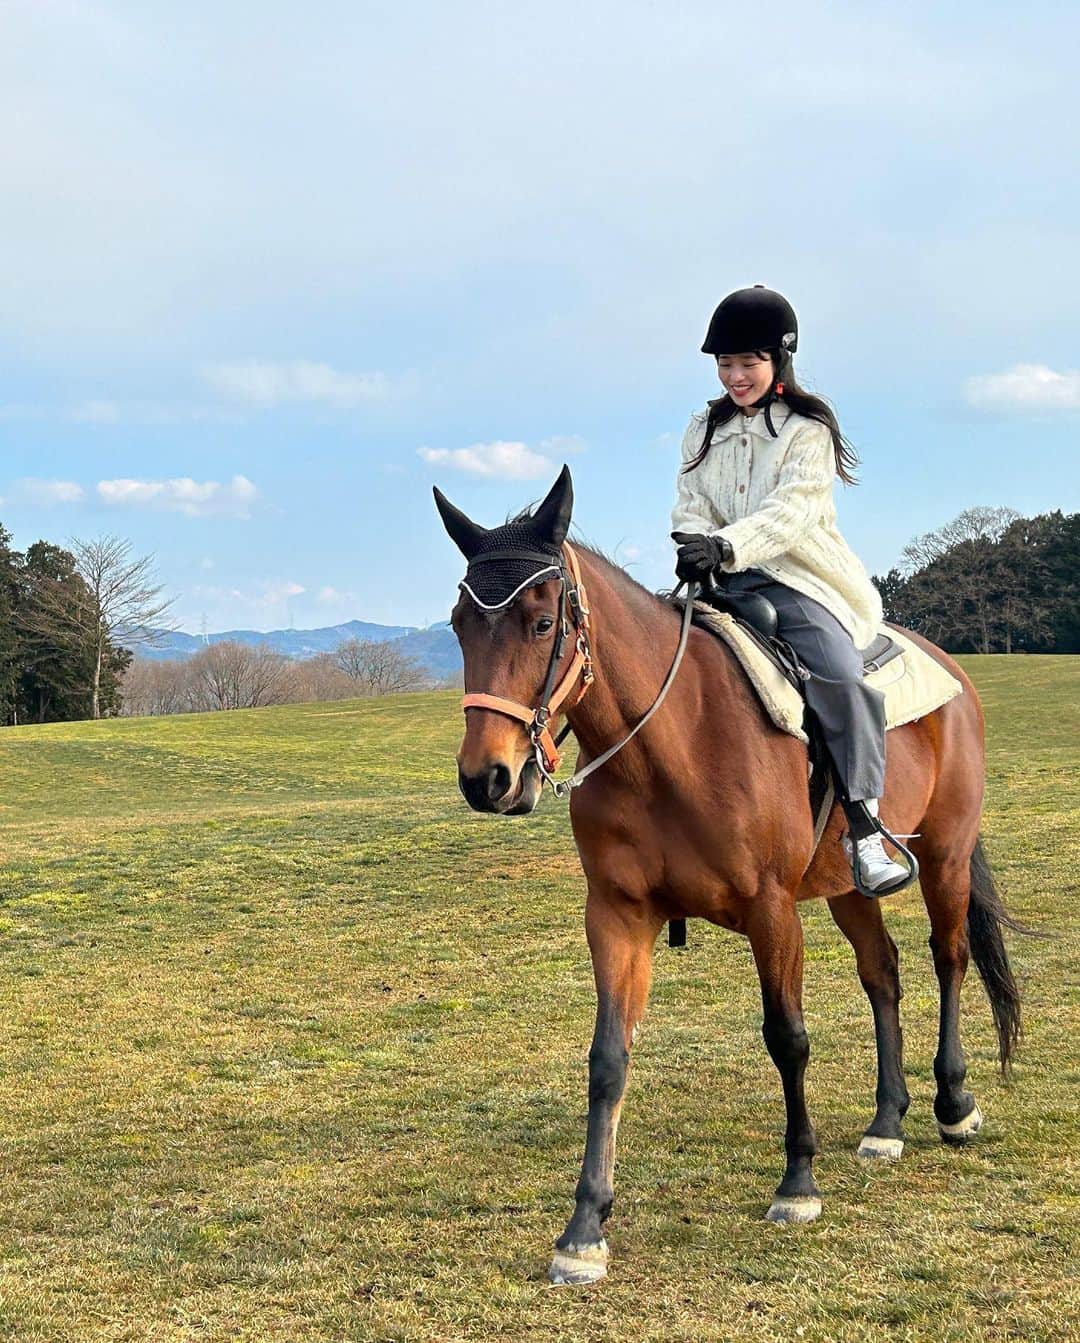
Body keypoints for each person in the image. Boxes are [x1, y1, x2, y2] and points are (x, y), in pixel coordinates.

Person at [669, 284, 910, 895]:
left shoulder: (808, 430)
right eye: (725, 364)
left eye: (747, 363)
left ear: (779, 359)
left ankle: (863, 825)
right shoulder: (703, 428)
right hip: (716, 576)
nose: (735, 376)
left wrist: (726, 545)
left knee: (841, 678)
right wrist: (695, 541)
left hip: (799, 578)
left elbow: (790, 514)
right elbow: (691, 500)